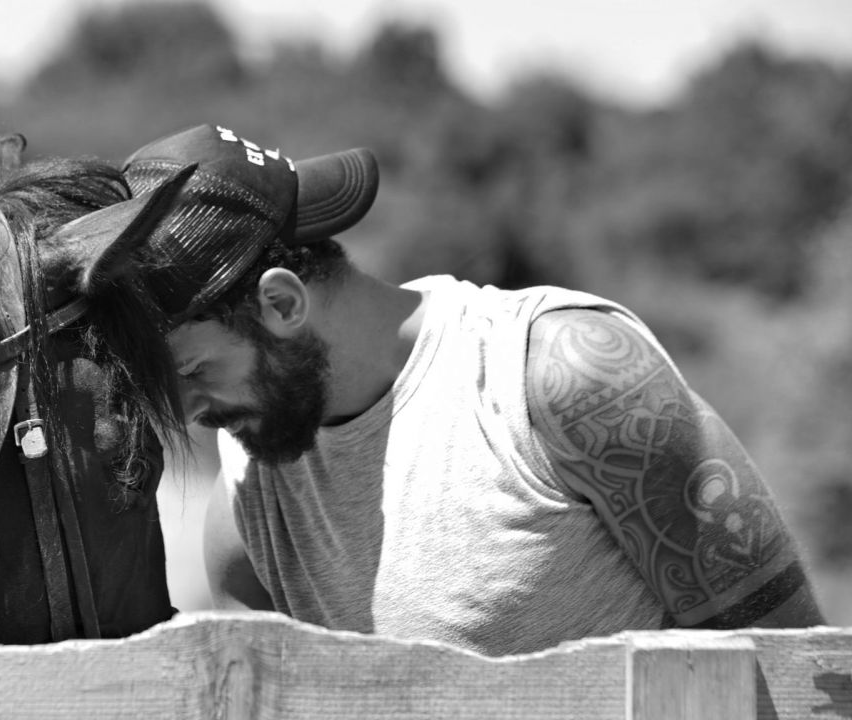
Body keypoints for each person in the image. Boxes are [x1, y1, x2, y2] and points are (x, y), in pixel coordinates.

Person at [119, 123, 826, 656]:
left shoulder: (561, 378)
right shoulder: (252, 491)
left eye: (192, 373)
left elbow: (796, 670)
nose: (188, 414)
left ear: (281, 304)